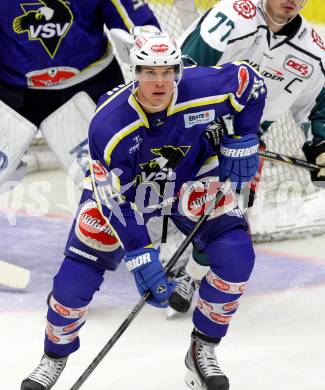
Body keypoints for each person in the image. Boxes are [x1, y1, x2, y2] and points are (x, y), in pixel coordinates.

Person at [20, 32, 266, 390]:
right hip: (127, 193)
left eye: (168, 71)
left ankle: (202, 350)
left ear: (179, 71)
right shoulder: (108, 124)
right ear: (134, 72)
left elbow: (251, 84)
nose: (160, 81)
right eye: (150, 72)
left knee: (236, 254)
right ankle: (53, 357)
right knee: (74, 282)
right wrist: (139, 253)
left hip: (189, 177)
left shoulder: (203, 87)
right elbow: (114, 199)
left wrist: (244, 138)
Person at [168, 0, 325, 314]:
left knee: (226, 215)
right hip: (185, 127)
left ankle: (191, 276)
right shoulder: (231, 17)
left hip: (246, 141)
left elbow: (318, 112)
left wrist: (321, 150)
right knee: (148, 202)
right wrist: (203, 120)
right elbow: (183, 72)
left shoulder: (314, 52)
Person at [0, 0, 160, 186]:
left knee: (115, 183)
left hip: (89, 84)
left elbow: (138, 22)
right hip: (11, 91)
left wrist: (149, 41)